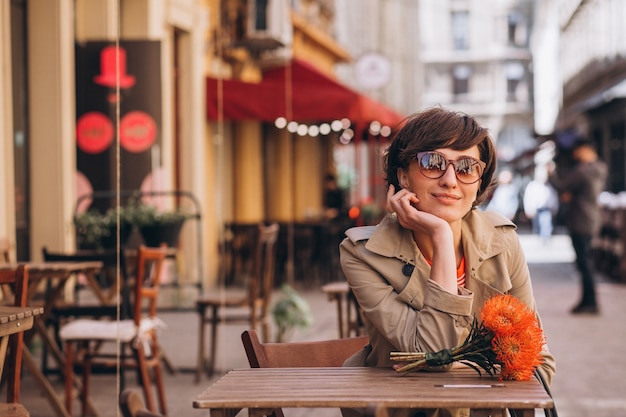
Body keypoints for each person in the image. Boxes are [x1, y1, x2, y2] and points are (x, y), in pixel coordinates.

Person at [339, 107, 555, 417]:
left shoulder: (503, 242)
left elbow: (537, 360)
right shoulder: (364, 253)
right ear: (403, 176)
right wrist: (440, 236)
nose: (450, 180)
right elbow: (431, 357)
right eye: (432, 163)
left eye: (466, 167)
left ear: (479, 183)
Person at [549, 138, 608, 314]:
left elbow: (562, 187)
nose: (575, 155)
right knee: (586, 262)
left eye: (577, 151)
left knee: (584, 263)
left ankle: (589, 302)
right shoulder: (601, 168)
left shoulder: (583, 171)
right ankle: (588, 300)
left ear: (585, 149)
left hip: (580, 220)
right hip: (592, 219)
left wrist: (551, 174)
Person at [523, 168, 559, 242]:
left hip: (546, 209)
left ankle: (545, 239)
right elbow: (528, 198)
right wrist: (528, 209)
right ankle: (538, 239)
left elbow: (553, 198)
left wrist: (555, 207)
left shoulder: (549, 186)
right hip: (535, 209)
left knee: (546, 225)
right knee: (537, 226)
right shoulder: (532, 185)